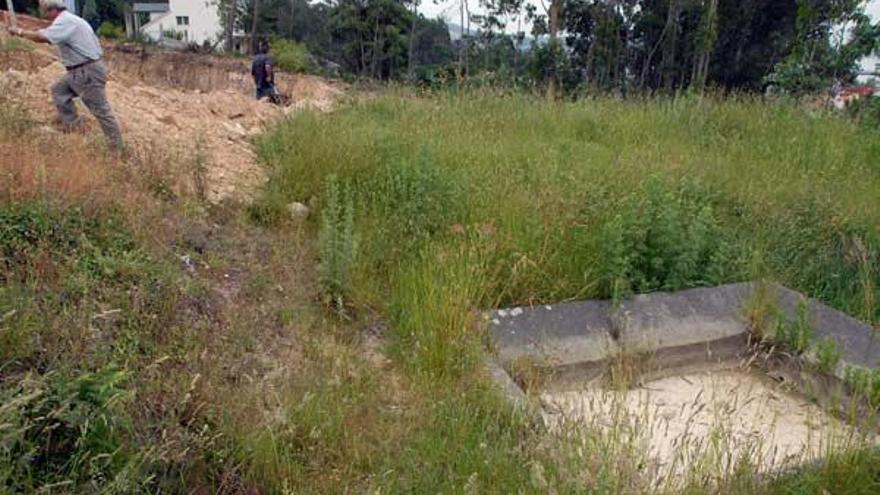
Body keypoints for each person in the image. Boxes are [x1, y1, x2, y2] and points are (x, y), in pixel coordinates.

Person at [7, 0, 124, 151]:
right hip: (82, 69)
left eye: (46, 11)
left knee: (101, 111)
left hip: (85, 71)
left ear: (52, 10)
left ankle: (117, 149)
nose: (45, 15)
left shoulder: (65, 22)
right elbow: (46, 32)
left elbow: (44, 37)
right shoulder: (70, 19)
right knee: (59, 90)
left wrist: (20, 32)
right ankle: (74, 126)